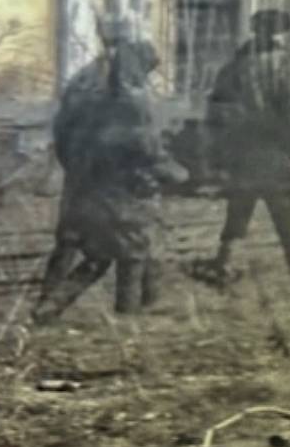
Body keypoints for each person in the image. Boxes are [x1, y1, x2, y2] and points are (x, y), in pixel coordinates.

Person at [32, 19, 180, 324]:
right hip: (120, 181)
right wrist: (172, 171)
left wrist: (74, 165)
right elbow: (144, 142)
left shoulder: (82, 79)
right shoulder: (131, 91)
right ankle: (130, 312)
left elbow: (61, 129)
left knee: (72, 242)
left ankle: (47, 303)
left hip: (82, 173)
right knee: (130, 244)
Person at [199, 9, 290, 296]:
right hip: (274, 153)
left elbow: (216, 113)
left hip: (241, 153)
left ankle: (222, 271)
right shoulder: (285, 64)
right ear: (278, 33)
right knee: (287, 219)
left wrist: (215, 156)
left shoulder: (232, 67)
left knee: (237, 215)